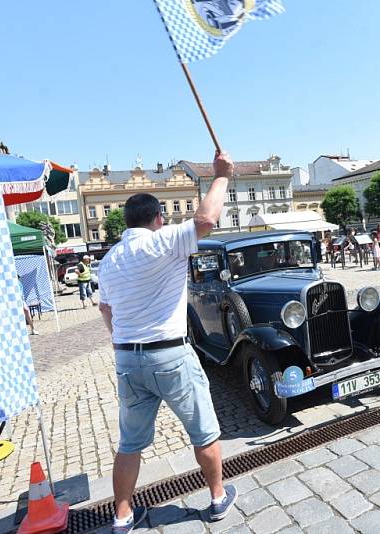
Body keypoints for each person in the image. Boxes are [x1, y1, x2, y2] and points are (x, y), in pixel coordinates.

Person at [98, 151, 236, 532]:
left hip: (128, 359)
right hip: (169, 355)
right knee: (204, 430)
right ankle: (218, 497)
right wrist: (221, 176)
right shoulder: (163, 243)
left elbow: (105, 309)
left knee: (130, 444)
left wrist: (122, 340)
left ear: (126, 222)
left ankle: (122, 516)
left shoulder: (108, 261)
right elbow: (207, 218)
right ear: (158, 219)